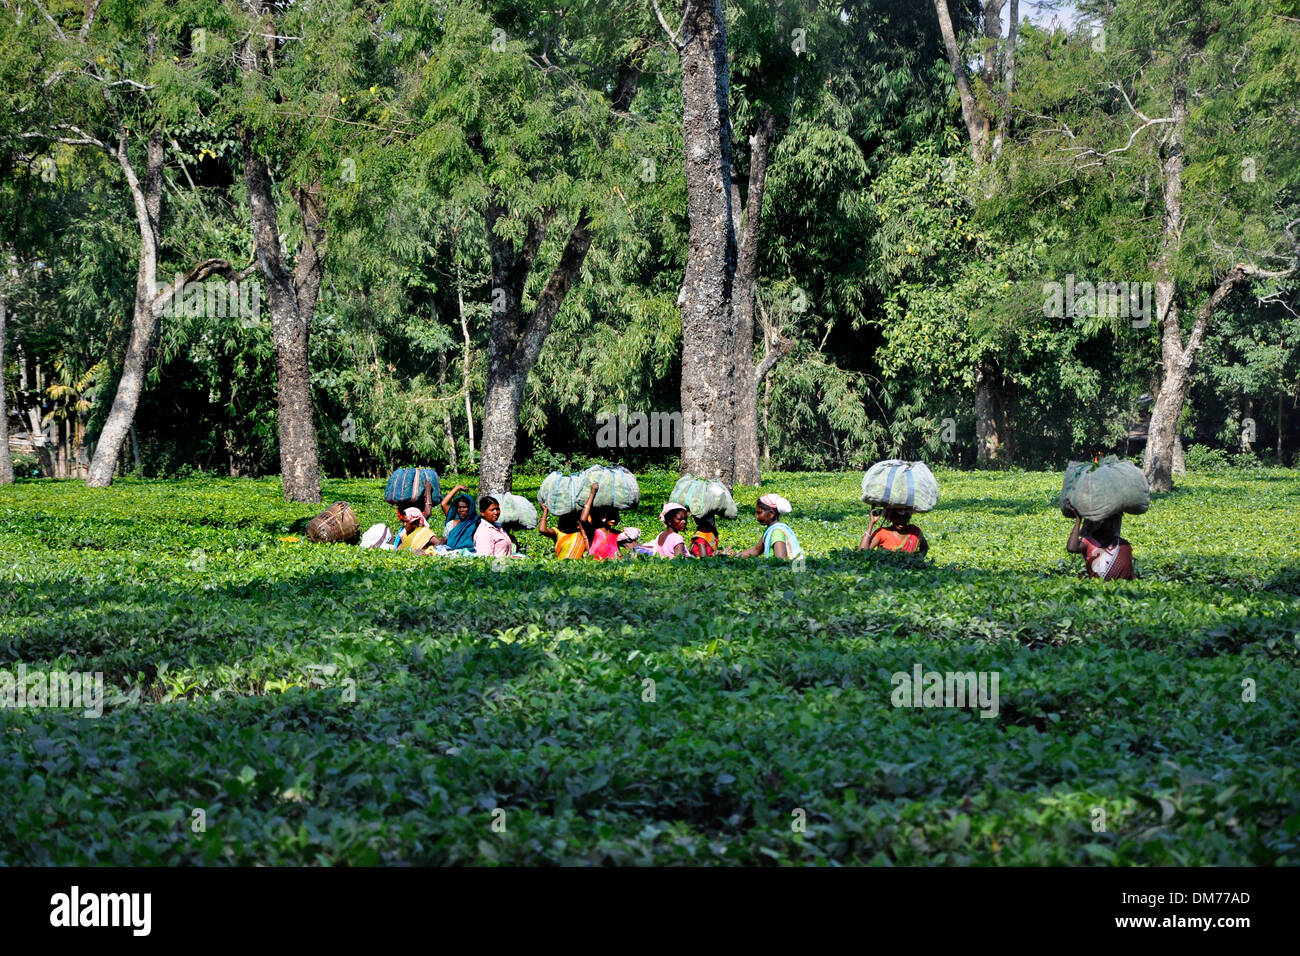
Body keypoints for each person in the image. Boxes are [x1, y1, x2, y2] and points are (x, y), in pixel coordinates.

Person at [1066, 508, 1135, 580]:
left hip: (1119, 589)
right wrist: (1078, 520)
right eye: (1110, 522)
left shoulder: (1122, 544)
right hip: (1098, 588)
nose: (1113, 526)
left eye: (1115, 522)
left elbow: (1130, 573)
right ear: (1100, 523)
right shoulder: (1089, 541)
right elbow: (1071, 548)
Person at [735, 494, 803, 560]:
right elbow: (757, 550)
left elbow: (781, 561)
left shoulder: (777, 532)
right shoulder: (771, 529)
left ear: (771, 514)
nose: (756, 516)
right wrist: (735, 556)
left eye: (759, 513)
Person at [859, 506, 928, 556]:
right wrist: (871, 523)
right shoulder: (882, 533)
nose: (901, 520)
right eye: (897, 517)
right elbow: (862, 553)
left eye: (905, 517)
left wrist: (917, 559)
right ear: (890, 518)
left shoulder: (914, 532)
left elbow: (924, 547)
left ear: (909, 518)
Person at [441, 487, 479, 552]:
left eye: (465, 507)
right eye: (459, 507)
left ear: (470, 508)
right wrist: (457, 488)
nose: (462, 510)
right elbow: (442, 542)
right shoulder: (452, 523)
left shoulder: (476, 523)